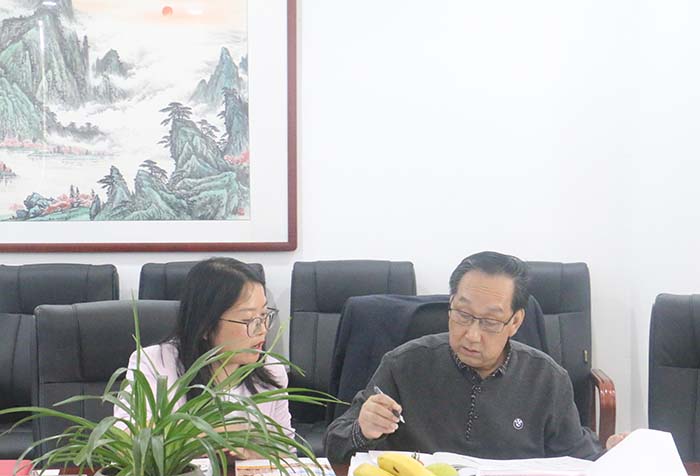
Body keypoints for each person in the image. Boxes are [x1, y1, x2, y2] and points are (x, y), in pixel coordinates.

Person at [325, 251, 624, 463]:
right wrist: (363, 429)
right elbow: (335, 444)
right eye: (463, 314)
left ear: (516, 322)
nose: (471, 335)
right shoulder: (403, 365)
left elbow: (578, 458)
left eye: (490, 321)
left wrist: (613, 454)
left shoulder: (548, 379)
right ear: (450, 305)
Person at [114, 257, 292, 458]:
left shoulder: (271, 370)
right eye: (248, 320)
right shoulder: (155, 363)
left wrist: (245, 450)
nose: (263, 329)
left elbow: (286, 453)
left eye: (264, 315)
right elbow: (127, 441)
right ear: (206, 325)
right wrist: (219, 433)